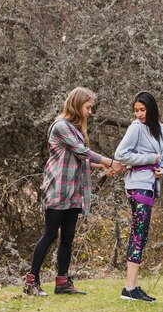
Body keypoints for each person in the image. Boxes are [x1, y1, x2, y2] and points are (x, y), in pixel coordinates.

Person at [24, 87, 124, 296]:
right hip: (58, 189)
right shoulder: (61, 126)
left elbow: (79, 159)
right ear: (77, 104)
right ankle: (31, 282)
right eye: (88, 107)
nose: (90, 112)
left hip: (74, 191)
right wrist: (110, 162)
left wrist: (102, 167)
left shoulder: (74, 128)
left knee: (68, 236)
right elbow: (82, 151)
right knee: (50, 234)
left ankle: (62, 282)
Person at [114, 91, 163, 302]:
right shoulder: (135, 128)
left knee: (142, 233)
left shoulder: (161, 129)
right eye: (136, 110)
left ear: (151, 109)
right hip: (137, 184)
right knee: (138, 233)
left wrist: (162, 170)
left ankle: (133, 286)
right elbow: (121, 154)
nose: (138, 114)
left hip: (151, 185)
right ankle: (129, 288)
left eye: (142, 110)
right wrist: (149, 158)